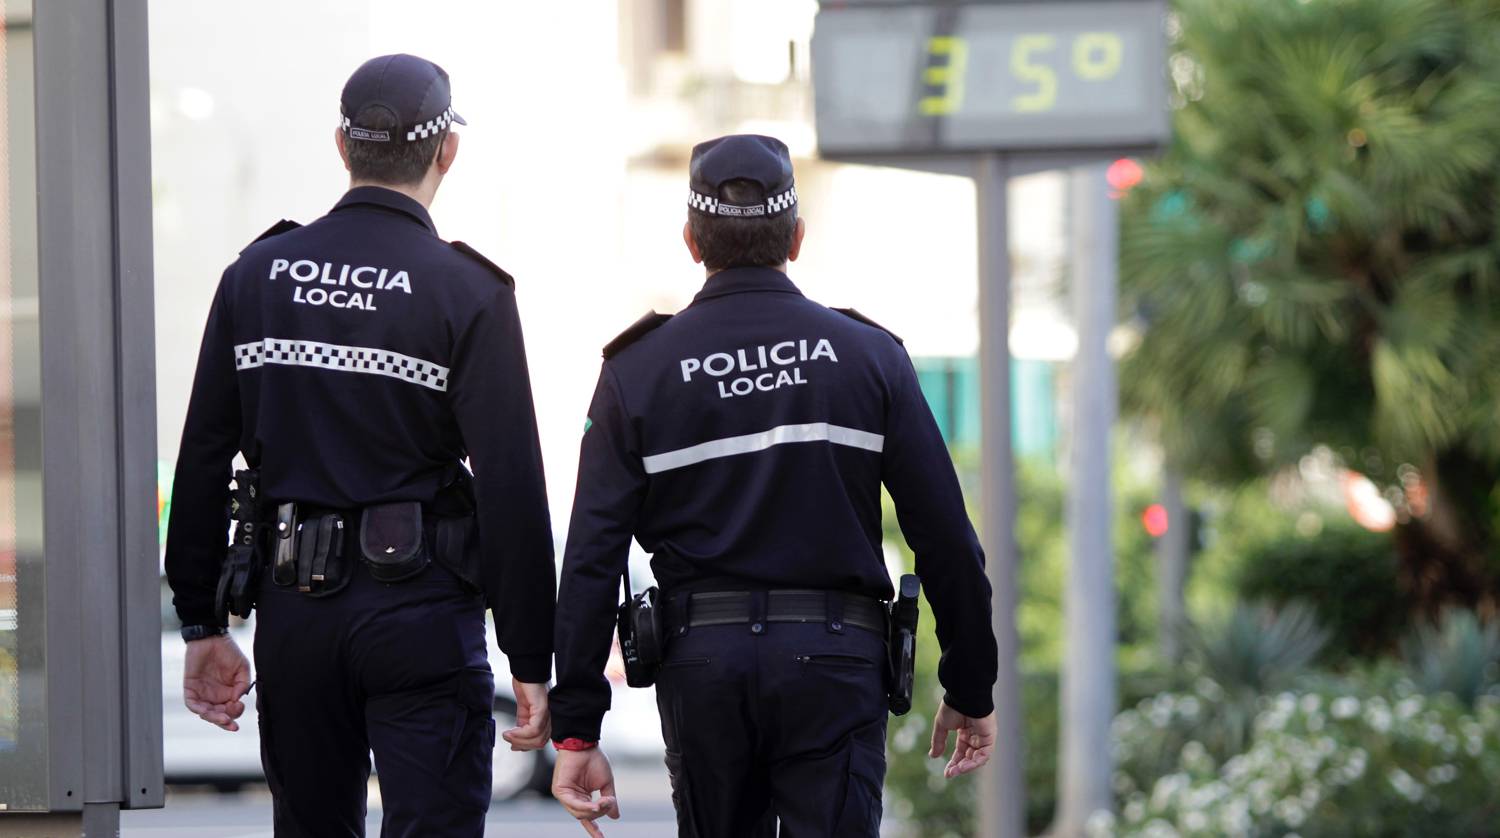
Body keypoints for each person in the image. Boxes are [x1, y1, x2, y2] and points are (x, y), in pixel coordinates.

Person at [548, 134, 999, 837]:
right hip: (835, 663)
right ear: (796, 236)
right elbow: (944, 537)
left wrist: (577, 728)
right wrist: (970, 683)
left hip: (702, 665)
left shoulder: (637, 373)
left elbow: (589, 560)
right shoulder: (868, 358)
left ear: (692, 241)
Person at [163, 54, 555, 837]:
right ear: (447, 152)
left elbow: (204, 456)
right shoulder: (467, 292)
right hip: (421, 614)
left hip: (295, 616)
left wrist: (203, 623)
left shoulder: (257, 276)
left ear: (343, 145)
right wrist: (533, 659)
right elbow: (511, 486)